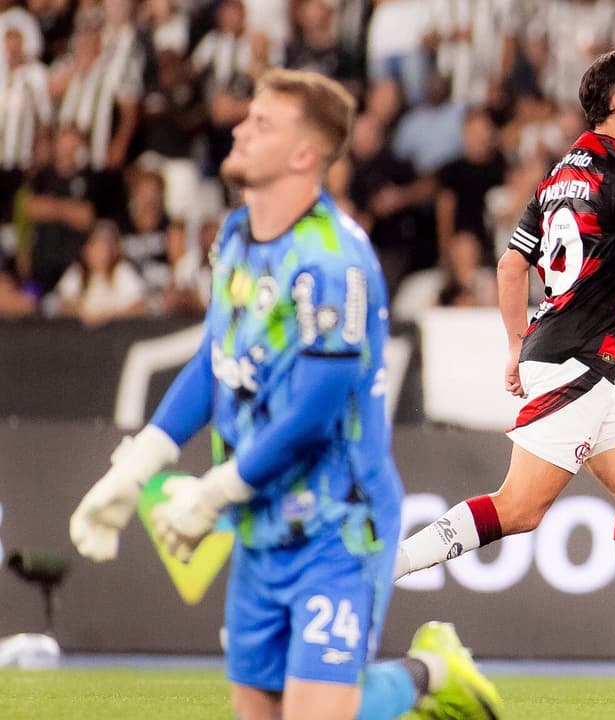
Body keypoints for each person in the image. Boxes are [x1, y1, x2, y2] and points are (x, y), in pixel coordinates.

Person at [67, 68, 502, 720]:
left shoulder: (334, 261)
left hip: (339, 521)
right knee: (263, 712)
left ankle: (432, 673)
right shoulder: (236, 236)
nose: (240, 130)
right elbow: (217, 359)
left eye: (262, 123)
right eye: (248, 117)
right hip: (261, 518)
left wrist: (213, 492)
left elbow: (315, 410)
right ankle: (434, 673)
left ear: (304, 155)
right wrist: (135, 466)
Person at [394, 50, 615, 692]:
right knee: (520, 508)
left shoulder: (562, 171)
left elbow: (510, 265)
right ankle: (380, 569)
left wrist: (515, 346)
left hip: (568, 358)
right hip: (578, 361)